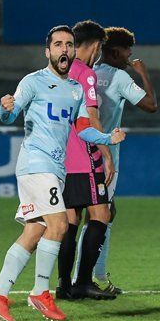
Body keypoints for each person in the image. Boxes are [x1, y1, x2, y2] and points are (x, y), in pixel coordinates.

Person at [0, 25, 126, 321]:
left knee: (35, 231)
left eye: (69, 45)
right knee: (59, 224)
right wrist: (3, 108)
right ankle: (40, 292)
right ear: (47, 52)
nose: (64, 50)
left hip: (55, 168)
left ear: (73, 51)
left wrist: (107, 139)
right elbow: (10, 115)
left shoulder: (74, 89)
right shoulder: (33, 82)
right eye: (58, 44)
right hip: (36, 164)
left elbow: (82, 129)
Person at [75, 26, 157, 294]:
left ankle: (78, 278)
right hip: (104, 154)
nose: (130, 54)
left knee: (87, 215)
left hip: (78, 151)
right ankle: (89, 277)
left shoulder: (86, 74)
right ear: (113, 50)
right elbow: (150, 105)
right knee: (100, 215)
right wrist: (142, 73)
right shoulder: (119, 77)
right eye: (126, 50)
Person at [57, 20, 117, 301]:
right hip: (83, 156)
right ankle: (82, 282)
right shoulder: (86, 73)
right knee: (101, 214)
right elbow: (91, 116)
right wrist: (106, 154)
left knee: (70, 218)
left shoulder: (58, 71)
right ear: (95, 46)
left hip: (59, 158)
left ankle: (63, 285)